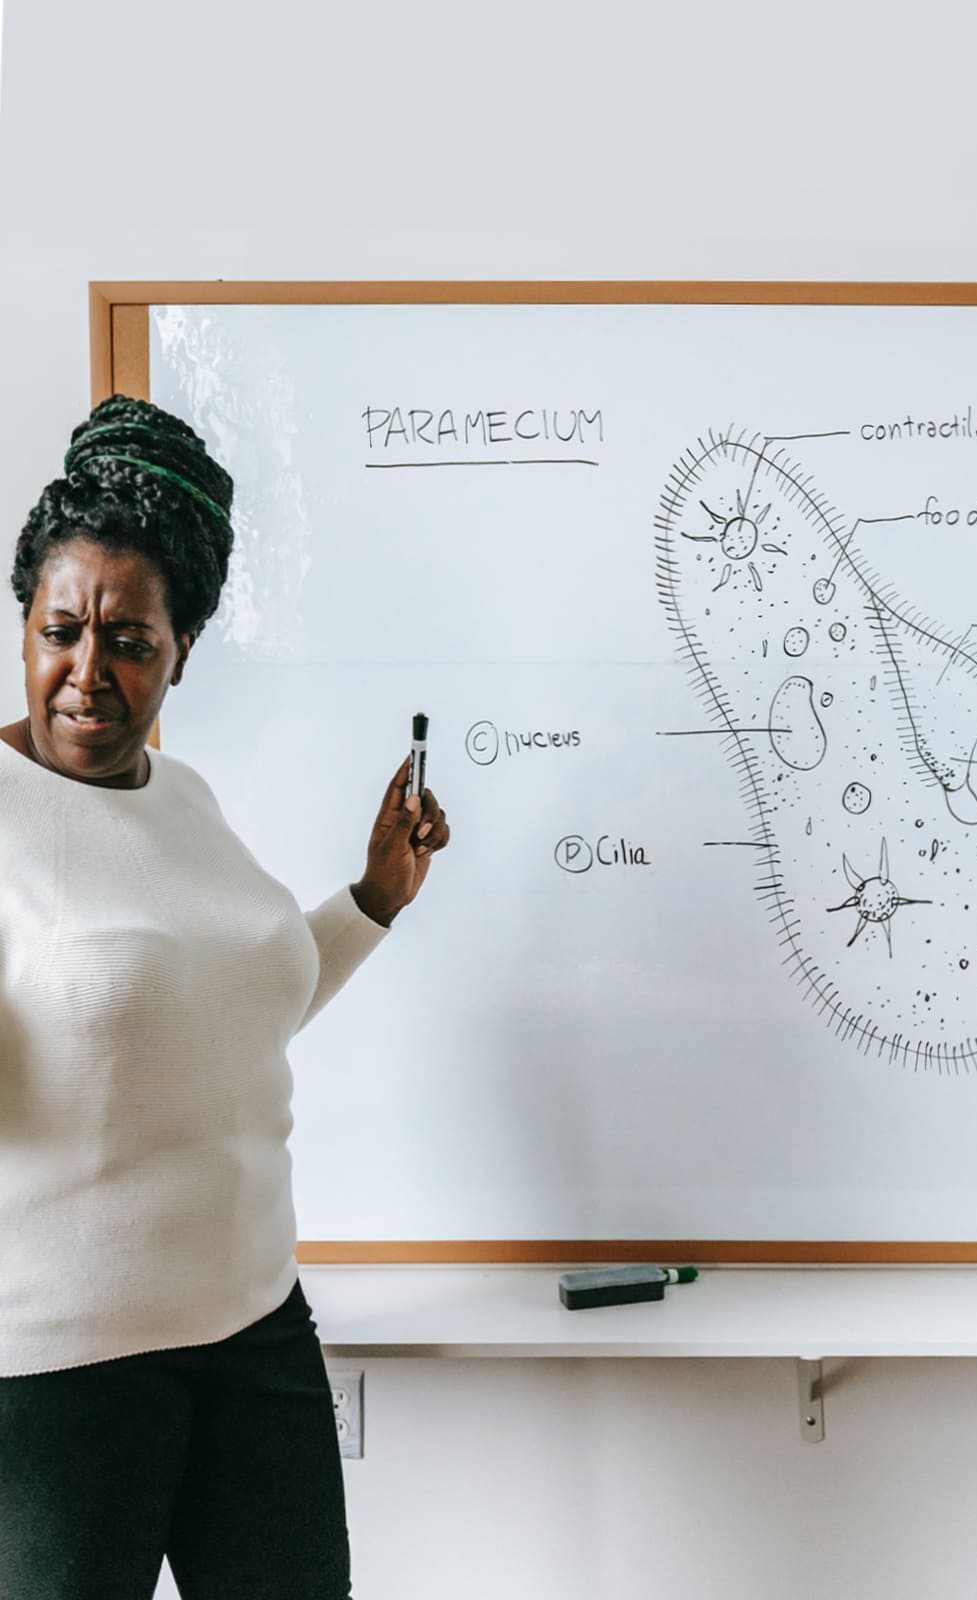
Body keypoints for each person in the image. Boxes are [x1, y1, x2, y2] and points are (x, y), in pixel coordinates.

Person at [0, 395, 449, 1599]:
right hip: (60, 1368)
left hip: (255, 1328)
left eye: (129, 640)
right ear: (26, 622)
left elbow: (213, 1026)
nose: (86, 673)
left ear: (183, 647)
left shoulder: (183, 799)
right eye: (58, 631)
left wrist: (373, 898)